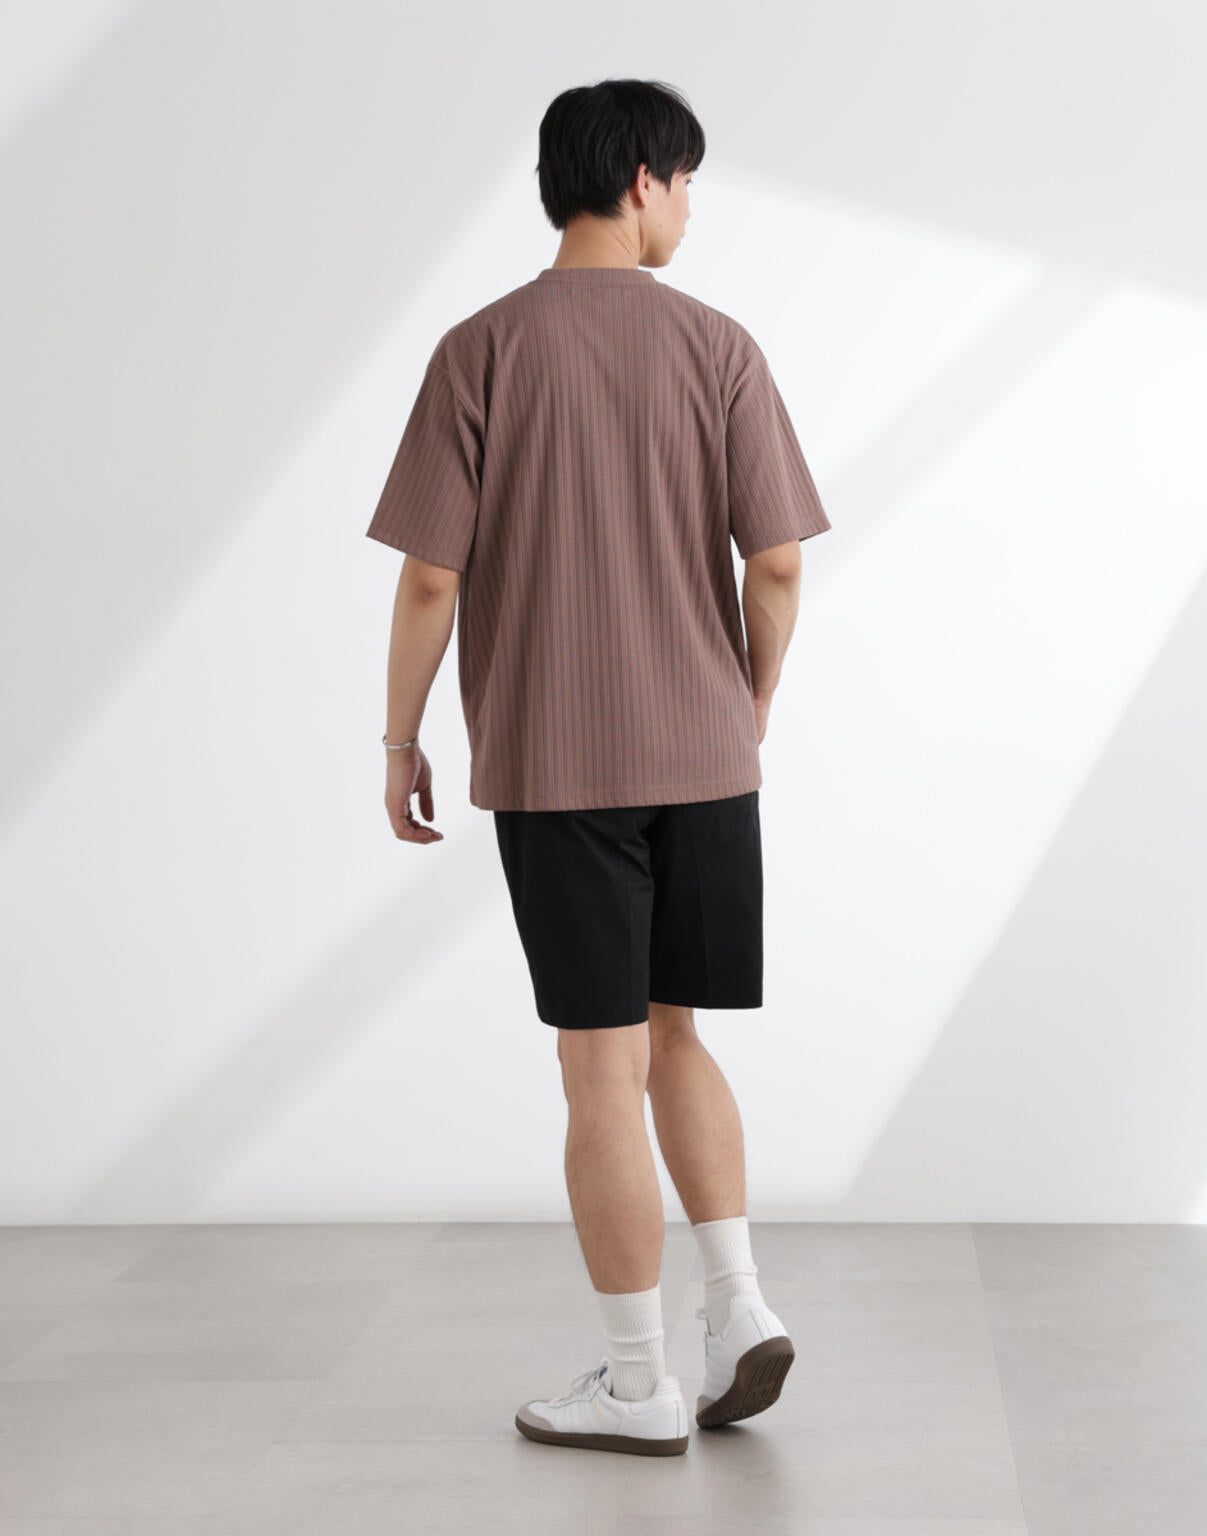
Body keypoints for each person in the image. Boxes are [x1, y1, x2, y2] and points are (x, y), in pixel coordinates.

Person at [365, 78, 831, 1456]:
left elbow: (431, 579)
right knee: (676, 1036)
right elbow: (779, 564)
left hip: (557, 766)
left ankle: (638, 1388)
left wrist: (400, 737)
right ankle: (737, 1305)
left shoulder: (480, 350)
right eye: (686, 182)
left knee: (597, 1067)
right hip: (705, 757)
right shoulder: (719, 346)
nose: (689, 208)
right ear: (640, 180)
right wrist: (748, 698)